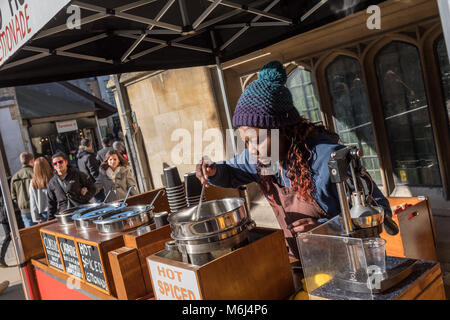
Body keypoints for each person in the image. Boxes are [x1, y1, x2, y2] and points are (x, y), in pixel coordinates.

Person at [196, 61, 391, 261]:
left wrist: (330, 229)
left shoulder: (327, 159)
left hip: (355, 264)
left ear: (282, 130)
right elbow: (230, 171)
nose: (251, 150)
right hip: (306, 266)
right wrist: (214, 172)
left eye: (257, 139)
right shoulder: (260, 158)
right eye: (246, 142)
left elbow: (380, 213)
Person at [47, 152, 96, 220]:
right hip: (65, 215)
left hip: (81, 212)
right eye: (55, 163)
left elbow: (92, 188)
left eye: (60, 162)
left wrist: (84, 198)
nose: (58, 164)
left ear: (66, 162)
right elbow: (51, 204)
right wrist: (50, 220)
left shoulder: (78, 174)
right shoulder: (52, 183)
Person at [10, 152, 35, 228]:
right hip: (38, 208)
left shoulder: (14, 176)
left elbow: (13, 195)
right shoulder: (35, 173)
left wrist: (20, 204)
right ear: (32, 160)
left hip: (24, 209)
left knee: (30, 234)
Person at [29, 157, 53, 223]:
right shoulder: (53, 177)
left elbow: (33, 202)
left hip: (43, 214)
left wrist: (36, 218)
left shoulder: (33, 182)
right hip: (57, 210)